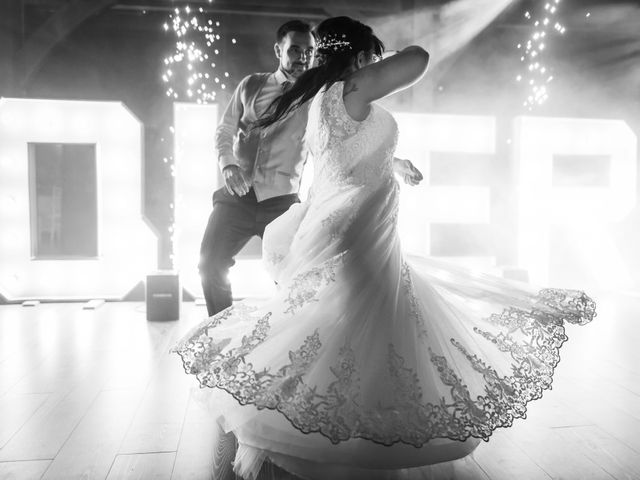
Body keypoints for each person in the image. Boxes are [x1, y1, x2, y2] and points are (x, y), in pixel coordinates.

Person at [174, 16, 596, 480]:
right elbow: (418, 58)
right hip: (356, 230)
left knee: (345, 327)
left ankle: (343, 426)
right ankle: (352, 433)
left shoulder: (321, 101)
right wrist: (374, 53)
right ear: (357, 59)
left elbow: (341, 160)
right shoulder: (350, 88)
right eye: (371, 59)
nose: (377, 67)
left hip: (344, 223)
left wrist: (389, 162)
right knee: (363, 326)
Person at [199, 20, 315, 317]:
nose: (303, 56)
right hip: (237, 197)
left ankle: (291, 340)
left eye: (309, 51)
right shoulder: (250, 85)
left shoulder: (318, 96)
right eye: (295, 49)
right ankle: (220, 332)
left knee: (291, 279)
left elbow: (338, 140)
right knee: (209, 265)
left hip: (282, 205)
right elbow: (224, 131)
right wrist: (227, 166)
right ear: (279, 49)